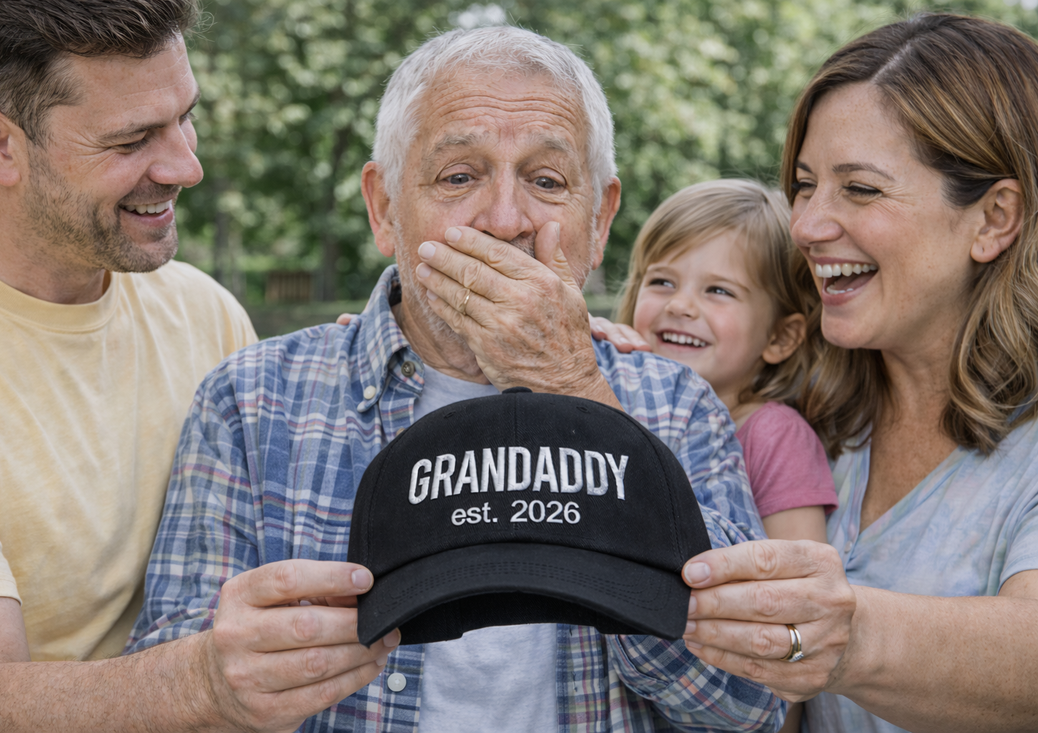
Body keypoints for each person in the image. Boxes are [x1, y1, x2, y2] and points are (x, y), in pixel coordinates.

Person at [128, 26, 784, 732]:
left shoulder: (679, 406)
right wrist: (232, 679)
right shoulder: (251, 403)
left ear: (599, 221)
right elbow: (175, 692)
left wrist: (575, 392)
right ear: (384, 209)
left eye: (547, 181)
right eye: (459, 176)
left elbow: (748, 702)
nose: (505, 220)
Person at [0, 3, 392, 731]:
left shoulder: (205, 314)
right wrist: (204, 682)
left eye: (185, 116)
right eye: (133, 139)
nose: (187, 164)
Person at [675, 14, 1038, 733]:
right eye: (805, 185)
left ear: (995, 218)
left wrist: (850, 636)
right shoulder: (801, 413)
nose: (806, 223)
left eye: (861, 190)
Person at [614, 179, 836, 544]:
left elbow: (800, 580)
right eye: (662, 282)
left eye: (718, 290)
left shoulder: (774, 435)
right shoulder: (620, 397)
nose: (679, 305)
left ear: (779, 338)